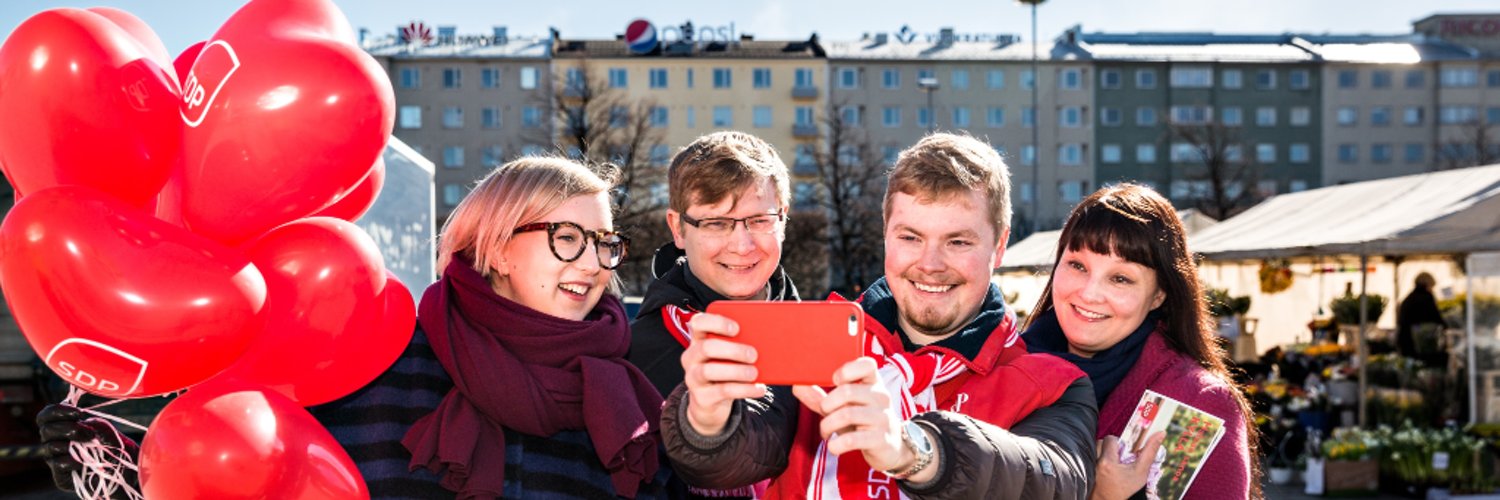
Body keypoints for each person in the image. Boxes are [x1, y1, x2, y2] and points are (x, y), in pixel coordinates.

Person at [39, 157, 670, 499]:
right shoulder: (384, 361)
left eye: (604, 242)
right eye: (568, 238)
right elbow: (260, 462)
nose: (594, 264)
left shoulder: (629, 394)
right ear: (498, 248)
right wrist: (119, 457)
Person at [659, 133, 1098, 499]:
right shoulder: (819, 337)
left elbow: (1053, 480)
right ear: (886, 235)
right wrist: (707, 420)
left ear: (999, 247)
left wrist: (915, 450)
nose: (930, 264)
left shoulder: (1051, 383)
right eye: (910, 237)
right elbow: (745, 453)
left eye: (958, 242)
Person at [1020, 183, 1258, 500]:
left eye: (1120, 278)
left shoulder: (1194, 403)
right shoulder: (999, 368)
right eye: (1077, 266)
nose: (1090, 293)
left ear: (1159, 295)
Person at [630, 131, 800, 399]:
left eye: (759, 221)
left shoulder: (831, 345)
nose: (742, 246)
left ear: (782, 219)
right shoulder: (632, 361)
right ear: (678, 228)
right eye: (716, 224)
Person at [1396, 272, 1444, 361]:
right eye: (1431, 286)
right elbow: (1435, 316)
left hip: (1405, 339)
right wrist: (1446, 325)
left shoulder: (1409, 298)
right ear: (1427, 284)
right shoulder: (1426, 297)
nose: (1432, 289)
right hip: (1419, 341)